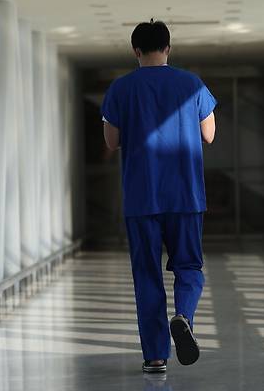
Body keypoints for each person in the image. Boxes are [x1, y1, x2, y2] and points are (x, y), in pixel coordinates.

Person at [101, 20, 217, 374]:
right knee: (189, 267)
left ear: (135, 50)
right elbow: (209, 134)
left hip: (141, 197)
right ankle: (183, 315)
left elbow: (111, 141)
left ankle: (155, 356)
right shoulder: (192, 84)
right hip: (185, 195)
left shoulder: (121, 89)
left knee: (147, 275)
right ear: (168, 48)